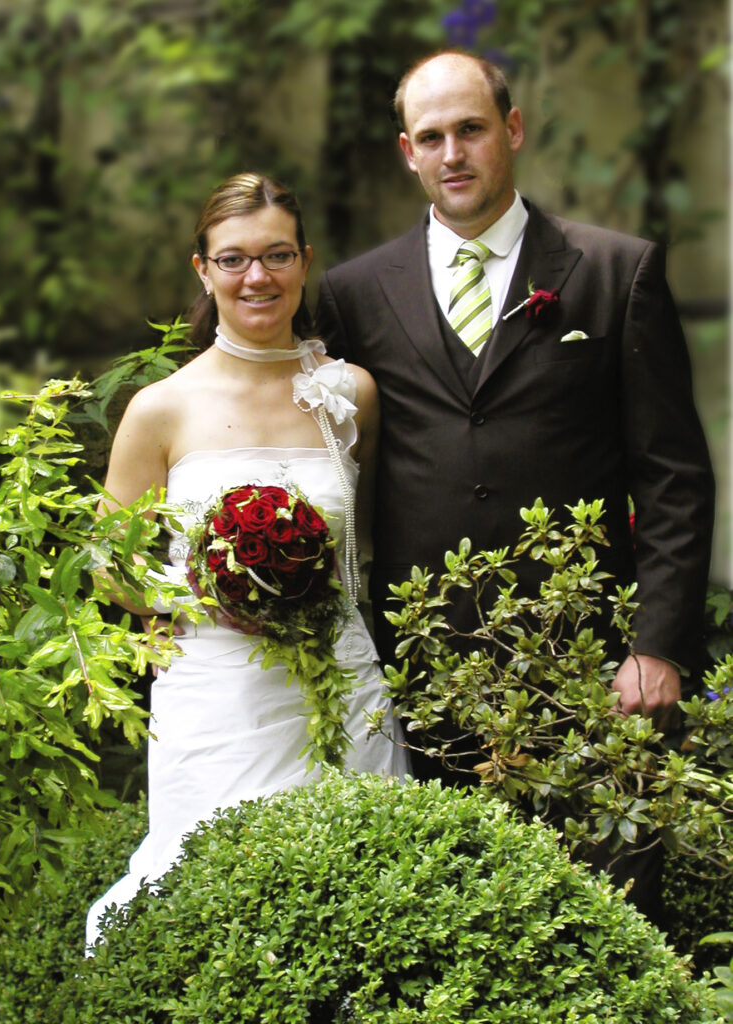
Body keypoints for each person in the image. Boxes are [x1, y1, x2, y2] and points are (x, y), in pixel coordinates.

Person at [315, 52, 714, 918]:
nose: (453, 152)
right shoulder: (352, 294)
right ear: (406, 153)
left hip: (591, 662)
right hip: (419, 668)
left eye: (471, 129)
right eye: (432, 137)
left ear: (514, 130)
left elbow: (673, 474)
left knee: (605, 910)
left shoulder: (616, 271)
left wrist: (656, 645)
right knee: (446, 915)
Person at [85, 172, 408, 950]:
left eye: (276, 256)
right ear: (202, 269)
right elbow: (107, 562)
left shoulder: (349, 394)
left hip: (339, 674)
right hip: (217, 687)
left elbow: (366, 537)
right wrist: (199, 599)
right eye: (233, 259)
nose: (256, 276)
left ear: (304, 262)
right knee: (209, 901)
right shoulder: (162, 407)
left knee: (357, 895)